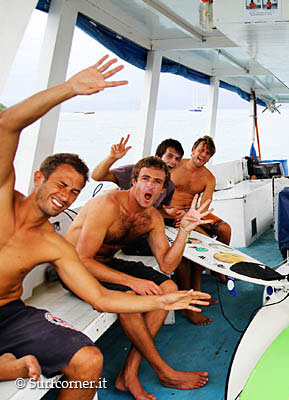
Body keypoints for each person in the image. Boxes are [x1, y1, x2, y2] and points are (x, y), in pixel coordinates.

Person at [0, 56, 210, 400]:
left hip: (10, 312)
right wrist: (69, 88)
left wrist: (167, 297)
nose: (66, 196)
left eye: (74, 192)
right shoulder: (8, 199)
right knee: (135, 292)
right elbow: (7, 125)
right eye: (61, 184)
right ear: (38, 178)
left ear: (162, 189)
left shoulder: (53, 244)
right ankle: (10, 367)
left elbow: (100, 297)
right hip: (86, 266)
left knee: (90, 360)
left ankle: (129, 372)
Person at [66, 155, 213, 399]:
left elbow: (167, 265)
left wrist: (184, 231)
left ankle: (129, 372)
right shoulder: (107, 205)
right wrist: (131, 281)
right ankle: (163, 371)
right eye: (145, 179)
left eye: (157, 182)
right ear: (133, 182)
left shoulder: (152, 217)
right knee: (130, 298)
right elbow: (82, 259)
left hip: (106, 263)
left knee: (169, 287)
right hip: (74, 267)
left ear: (163, 190)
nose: (150, 186)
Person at [168, 136, 232, 325]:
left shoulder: (209, 178)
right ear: (193, 149)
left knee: (225, 229)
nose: (203, 155)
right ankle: (193, 296)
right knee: (198, 245)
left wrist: (194, 217)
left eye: (208, 153)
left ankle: (215, 270)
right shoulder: (175, 166)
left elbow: (205, 204)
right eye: (201, 150)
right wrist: (171, 212)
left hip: (193, 213)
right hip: (170, 215)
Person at [92, 136, 185, 255]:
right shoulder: (135, 171)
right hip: (121, 229)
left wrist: (171, 215)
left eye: (177, 159)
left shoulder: (169, 185)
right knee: (173, 250)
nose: (173, 162)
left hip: (143, 228)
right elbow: (97, 176)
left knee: (179, 248)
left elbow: (158, 209)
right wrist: (112, 158)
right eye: (169, 156)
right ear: (157, 157)